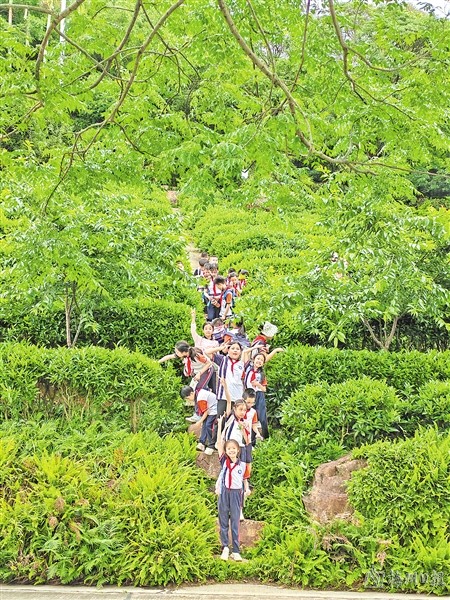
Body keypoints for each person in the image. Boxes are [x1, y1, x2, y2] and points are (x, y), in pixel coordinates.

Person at [216, 413, 249, 562]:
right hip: (224, 492)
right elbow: (219, 443)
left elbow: (247, 442)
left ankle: (236, 550)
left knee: (234, 522)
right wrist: (221, 425)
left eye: (233, 448)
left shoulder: (242, 464)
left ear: (237, 450)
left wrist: (243, 429)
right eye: (228, 448)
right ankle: (225, 547)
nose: (231, 450)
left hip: (236, 494)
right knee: (223, 520)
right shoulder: (224, 461)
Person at [159, 341, 214, 421]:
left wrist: (199, 373)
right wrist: (157, 362)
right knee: (193, 390)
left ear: (184, 352)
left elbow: (209, 363)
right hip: (197, 372)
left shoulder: (196, 355)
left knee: (198, 391)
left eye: (177, 351)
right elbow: (169, 356)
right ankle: (200, 410)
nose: (176, 353)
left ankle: (199, 414)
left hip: (205, 371)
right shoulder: (185, 355)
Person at [181, 385, 217, 455]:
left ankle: (211, 445)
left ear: (191, 393)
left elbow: (206, 412)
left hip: (214, 409)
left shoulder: (200, 398)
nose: (188, 400)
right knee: (204, 424)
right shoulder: (198, 393)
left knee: (208, 425)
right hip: (210, 410)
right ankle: (202, 443)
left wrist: (199, 422)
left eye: (187, 398)